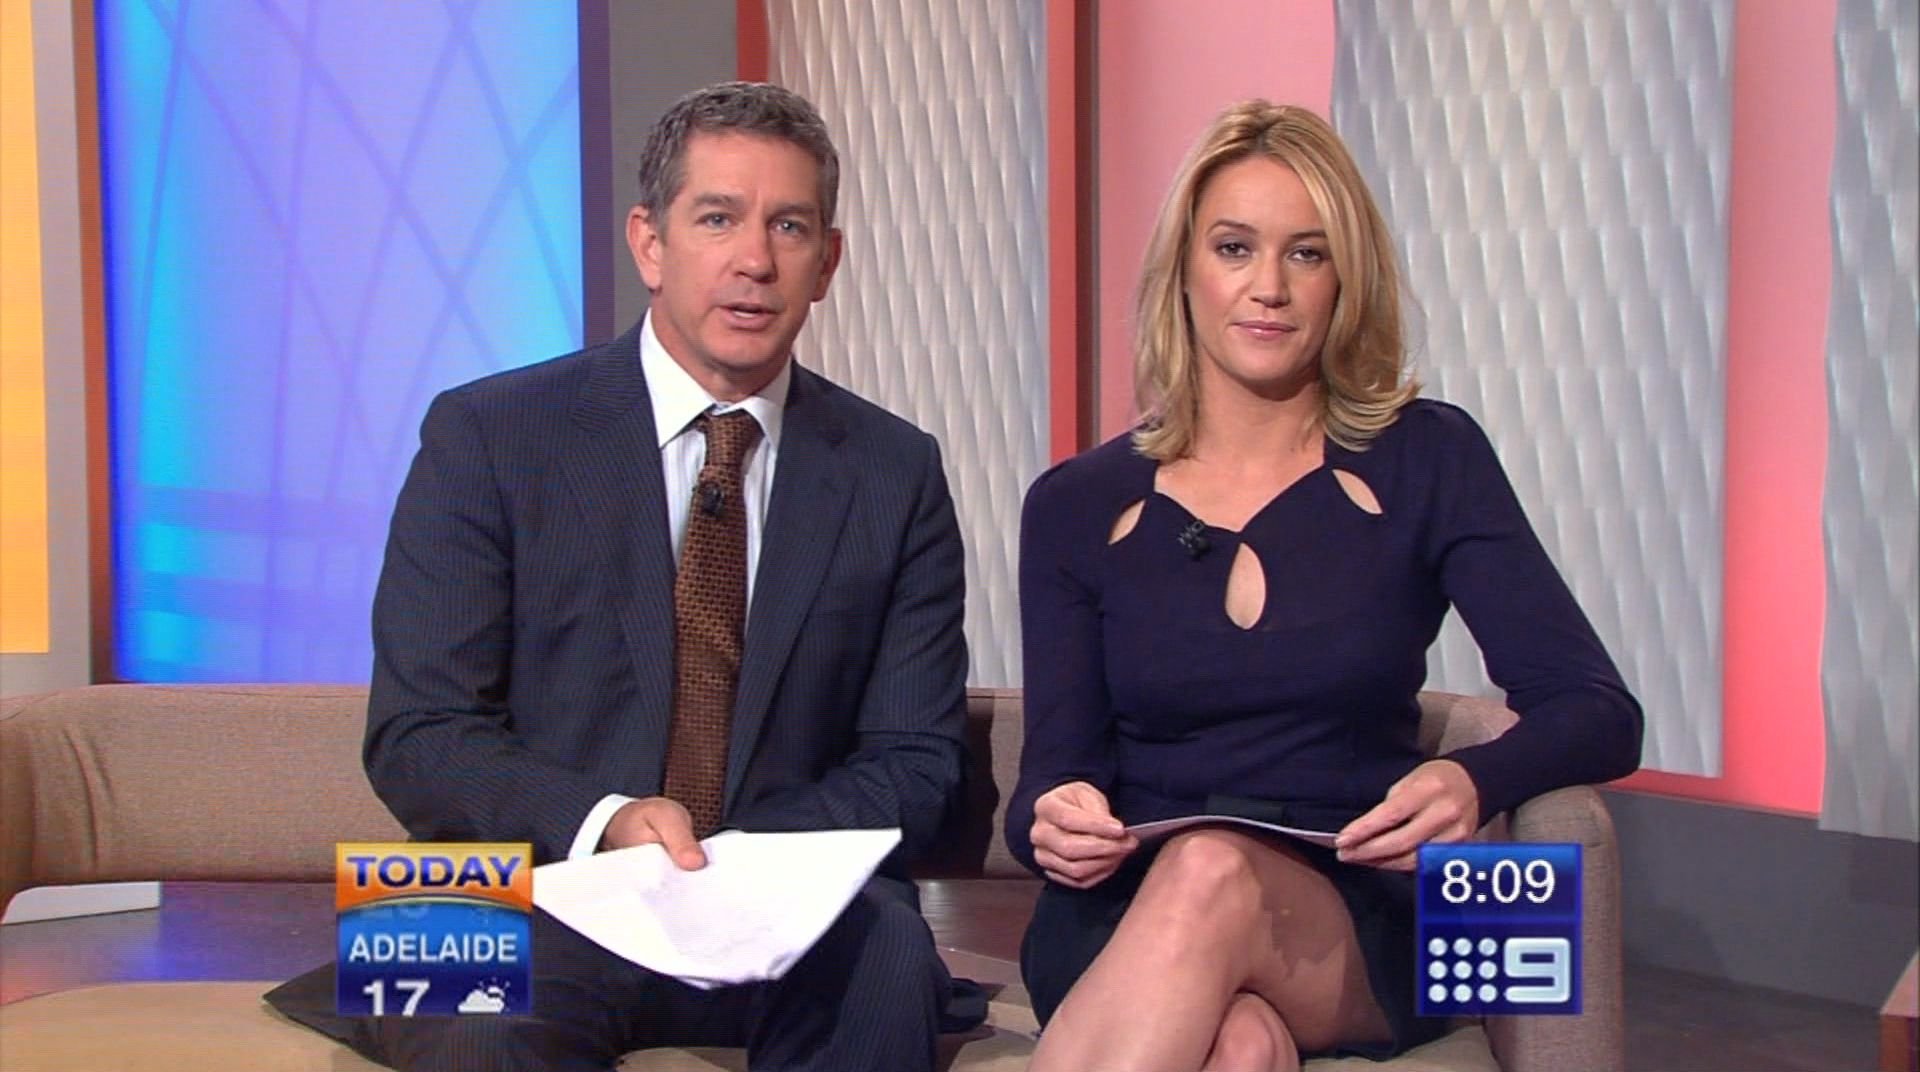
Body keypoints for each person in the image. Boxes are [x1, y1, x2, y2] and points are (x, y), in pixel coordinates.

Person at [268, 81, 971, 1072]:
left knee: (889, 962)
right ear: (649, 242)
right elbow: (418, 733)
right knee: (467, 1022)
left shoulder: (894, 470)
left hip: (784, 896)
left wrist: (725, 864)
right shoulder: (487, 433)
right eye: (717, 218)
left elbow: (915, 758)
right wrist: (605, 824)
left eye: (790, 226)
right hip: (513, 879)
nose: (754, 260)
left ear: (828, 262)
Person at [1005, 100, 1643, 1071]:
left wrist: (1473, 780)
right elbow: (1049, 778)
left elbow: (1600, 712)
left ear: (1347, 278)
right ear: (1184, 270)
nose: (1268, 287)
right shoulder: (1074, 504)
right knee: (1241, 1047)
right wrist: (1053, 819)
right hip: (1120, 913)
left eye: (1307, 254)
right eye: (1234, 248)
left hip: (1365, 908)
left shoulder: (1430, 457)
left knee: (1211, 870)